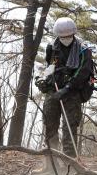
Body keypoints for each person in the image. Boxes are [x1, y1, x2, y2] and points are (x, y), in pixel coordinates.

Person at [36, 17, 93, 163]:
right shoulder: (52, 47)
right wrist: (42, 79)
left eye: (68, 36)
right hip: (53, 90)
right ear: (58, 35)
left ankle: (70, 165)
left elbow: (84, 72)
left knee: (69, 129)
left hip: (72, 93)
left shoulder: (83, 49)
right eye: (62, 37)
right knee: (49, 125)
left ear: (73, 34)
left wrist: (67, 88)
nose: (65, 39)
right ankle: (50, 164)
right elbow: (48, 67)